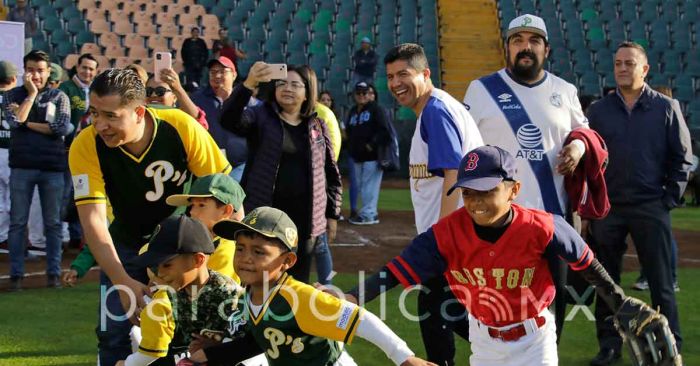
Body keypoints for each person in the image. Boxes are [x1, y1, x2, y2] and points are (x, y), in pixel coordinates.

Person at [341, 146, 659, 366]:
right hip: (484, 341)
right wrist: (355, 295)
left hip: (535, 341)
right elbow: (397, 271)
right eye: (468, 193)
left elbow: (587, 265)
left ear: (513, 189)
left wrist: (619, 303)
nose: (476, 202)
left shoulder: (544, 227)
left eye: (487, 191)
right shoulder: (445, 233)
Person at [68, 68, 231, 366]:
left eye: (111, 116)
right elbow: (92, 220)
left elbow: (226, 202)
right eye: (94, 113)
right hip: (126, 245)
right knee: (114, 333)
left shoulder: (181, 126)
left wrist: (215, 271)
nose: (100, 125)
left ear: (139, 112)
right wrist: (123, 280)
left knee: (190, 337)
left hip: (180, 251)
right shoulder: (84, 144)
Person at [462, 13, 590, 341]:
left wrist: (576, 147)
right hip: (499, 223)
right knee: (497, 310)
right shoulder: (480, 90)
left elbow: (584, 132)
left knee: (553, 308)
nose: (525, 47)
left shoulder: (565, 90)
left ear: (546, 49)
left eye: (534, 41)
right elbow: (463, 146)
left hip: (553, 220)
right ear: (506, 48)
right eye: (518, 40)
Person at [189, 206, 435, 366]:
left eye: (259, 251)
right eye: (240, 248)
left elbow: (359, 318)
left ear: (287, 262)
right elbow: (258, 342)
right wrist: (213, 354)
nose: (245, 258)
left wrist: (404, 357)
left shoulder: (298, 298)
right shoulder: (250, 295)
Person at [586, 41, 691, 366]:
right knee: (607, 285)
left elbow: (683, 159)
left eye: (629, 63)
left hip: (650, 206)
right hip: (609, 209)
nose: (622, 68)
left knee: (661, 284)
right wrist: (592, 205)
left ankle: (668, 345)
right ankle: (609, 346)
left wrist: (666, 200)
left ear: (644, 69)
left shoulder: (665, 108)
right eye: (618, 63)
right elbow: (589, 160)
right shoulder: (599, 111)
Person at [385, 43, 483, 365]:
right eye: (390, 76)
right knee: (441, 314)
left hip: (452, 238)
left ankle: (515, 347)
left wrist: (441, 236)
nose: (396, 83)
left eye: (404, 74)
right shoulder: (435, 109)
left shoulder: (436, 111)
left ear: (425, 74)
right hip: (457, 235)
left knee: (439, 314)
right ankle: (512, 347)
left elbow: (455, 172)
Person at [219, 63, 342, 284]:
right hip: (265, 218)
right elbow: (227, 119)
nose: (288, 88)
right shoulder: (260, 116)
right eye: (282, 83)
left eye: (296, 85)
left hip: (305, 223)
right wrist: (248, 84)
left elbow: (330, 174)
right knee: (259, 277)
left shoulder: (318, 126)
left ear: (307, 93)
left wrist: (332, 215)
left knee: (297, 281)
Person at [115, 215, 245, 366]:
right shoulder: (170, 293)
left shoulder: (230, 296)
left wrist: (216, 348)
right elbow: (156, 350)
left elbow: (248, 350)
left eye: (167, 265)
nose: (160, 274)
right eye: (156, 266)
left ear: (198, 260)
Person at [2, 50, 73, 290]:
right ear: (25, 70)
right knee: (18, 222)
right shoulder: (12, 94)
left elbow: (62, 127)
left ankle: (53, 275)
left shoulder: (59, 96)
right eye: (31, 69)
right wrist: (31, 96)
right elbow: (13, 122)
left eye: (40, 70)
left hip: (52, 168)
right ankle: (16, 276)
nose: (36, 75)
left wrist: (27, 124)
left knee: (53, 223)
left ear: (48, 71)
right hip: (21, 166)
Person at [631, 85, 681, 293]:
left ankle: (656, 277)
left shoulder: (666, 111)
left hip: (656, 189)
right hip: (659, 188)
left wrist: (670, 195)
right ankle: (670, 277)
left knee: (660, 239)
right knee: (665, 237)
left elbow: (680, 156)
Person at [166, 173, 245, 282]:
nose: (192, 212)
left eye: (201, 205)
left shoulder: (225, 251)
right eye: (192, 205)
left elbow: (212, 295)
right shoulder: (190, 239)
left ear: (226, 211)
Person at [59, 53, 99, 249]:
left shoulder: (97, 90)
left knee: (82, 194)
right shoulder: (66, 88)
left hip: (90, 153)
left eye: (91, 69)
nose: (87, 72)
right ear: (77, 67)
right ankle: (63, 235)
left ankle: (79, 236)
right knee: (66, 194)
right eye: (84, 67)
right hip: (68, 150)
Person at [191, 56, 248, 182]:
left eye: (222, 71)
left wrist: (230, 100)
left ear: (234, 75)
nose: (217, 76)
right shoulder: (197, 99)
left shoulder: (244, 98)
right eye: (213, 72)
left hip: (239, 164)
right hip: (210, 163)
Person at [345, 82, 391, 225]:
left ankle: (369, 214)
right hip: (357, 156)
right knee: (360, 185)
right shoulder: (353, 111)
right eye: (358, 93)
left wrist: (371, 145)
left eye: (364, 93)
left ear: (370, 94)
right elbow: (349, 131)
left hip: (372, 156)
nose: (361, 96)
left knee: (369, 185)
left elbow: (385, 131)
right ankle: (367, 212)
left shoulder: (376, 109)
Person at [0, 61, 18, 250]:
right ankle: (8, 238)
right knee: (13, 199)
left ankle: (1, 236)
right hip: (11, 152)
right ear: (13, 78)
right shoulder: (15, 98)